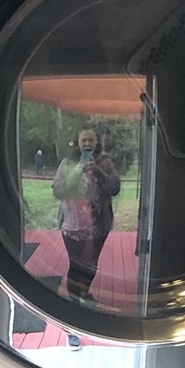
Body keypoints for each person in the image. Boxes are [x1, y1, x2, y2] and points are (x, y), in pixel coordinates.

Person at [50, 125, 121, 304]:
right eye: (84, 140)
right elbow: (58, 191)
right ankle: (72, 300)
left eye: (91, 140)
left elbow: (115, 188)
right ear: (78, 143)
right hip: (72, 225)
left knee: (91, 264)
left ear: (96, 142)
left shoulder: (105, 162)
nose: (87, 144)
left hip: (98, 225)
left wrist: (99, 172)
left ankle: (84, 293)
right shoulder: (67, 163)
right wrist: (78, 170)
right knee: (76, 264)